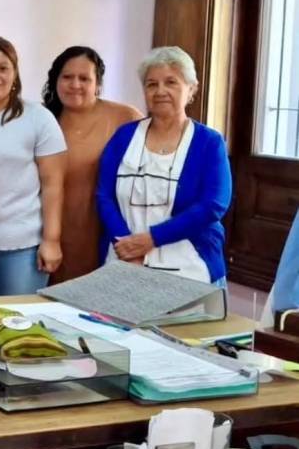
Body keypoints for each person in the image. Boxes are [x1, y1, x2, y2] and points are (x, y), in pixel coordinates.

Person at [96, 46, 232, 284]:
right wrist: (127, 244)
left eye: (171, 82)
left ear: (191, 89)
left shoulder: (209, 142)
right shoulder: (124, 136)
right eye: (151, 84)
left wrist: (151, 239)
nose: (160, 91)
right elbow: (103, 194)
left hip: (191, 266)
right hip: (125, 258)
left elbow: (213, 204)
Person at [0, 36, 67, 296]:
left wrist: (51, 240)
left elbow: (53, 186)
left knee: (18, 319)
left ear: (15, 73)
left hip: (22, 247)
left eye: (3, 68)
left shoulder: (38, 118)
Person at [41, 46, 141, 283]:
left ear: (98, 84)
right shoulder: (43, 119)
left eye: (84, 78)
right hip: (51, 231)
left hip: (107, 229)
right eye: (67, 77)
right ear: (55, 81)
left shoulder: (125, 117)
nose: (75, 84)